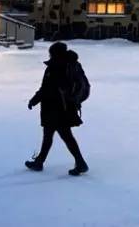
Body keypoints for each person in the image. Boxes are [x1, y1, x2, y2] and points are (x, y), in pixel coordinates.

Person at [25, 41, 90, 176]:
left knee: (62, 135)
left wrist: (34, 100)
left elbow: (46, 88)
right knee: (53, 135)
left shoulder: (57, 67)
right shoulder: (69, 65)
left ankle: (80, 163)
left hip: (56, 108)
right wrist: (35, 99)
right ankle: (40, 161)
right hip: (63, 107)